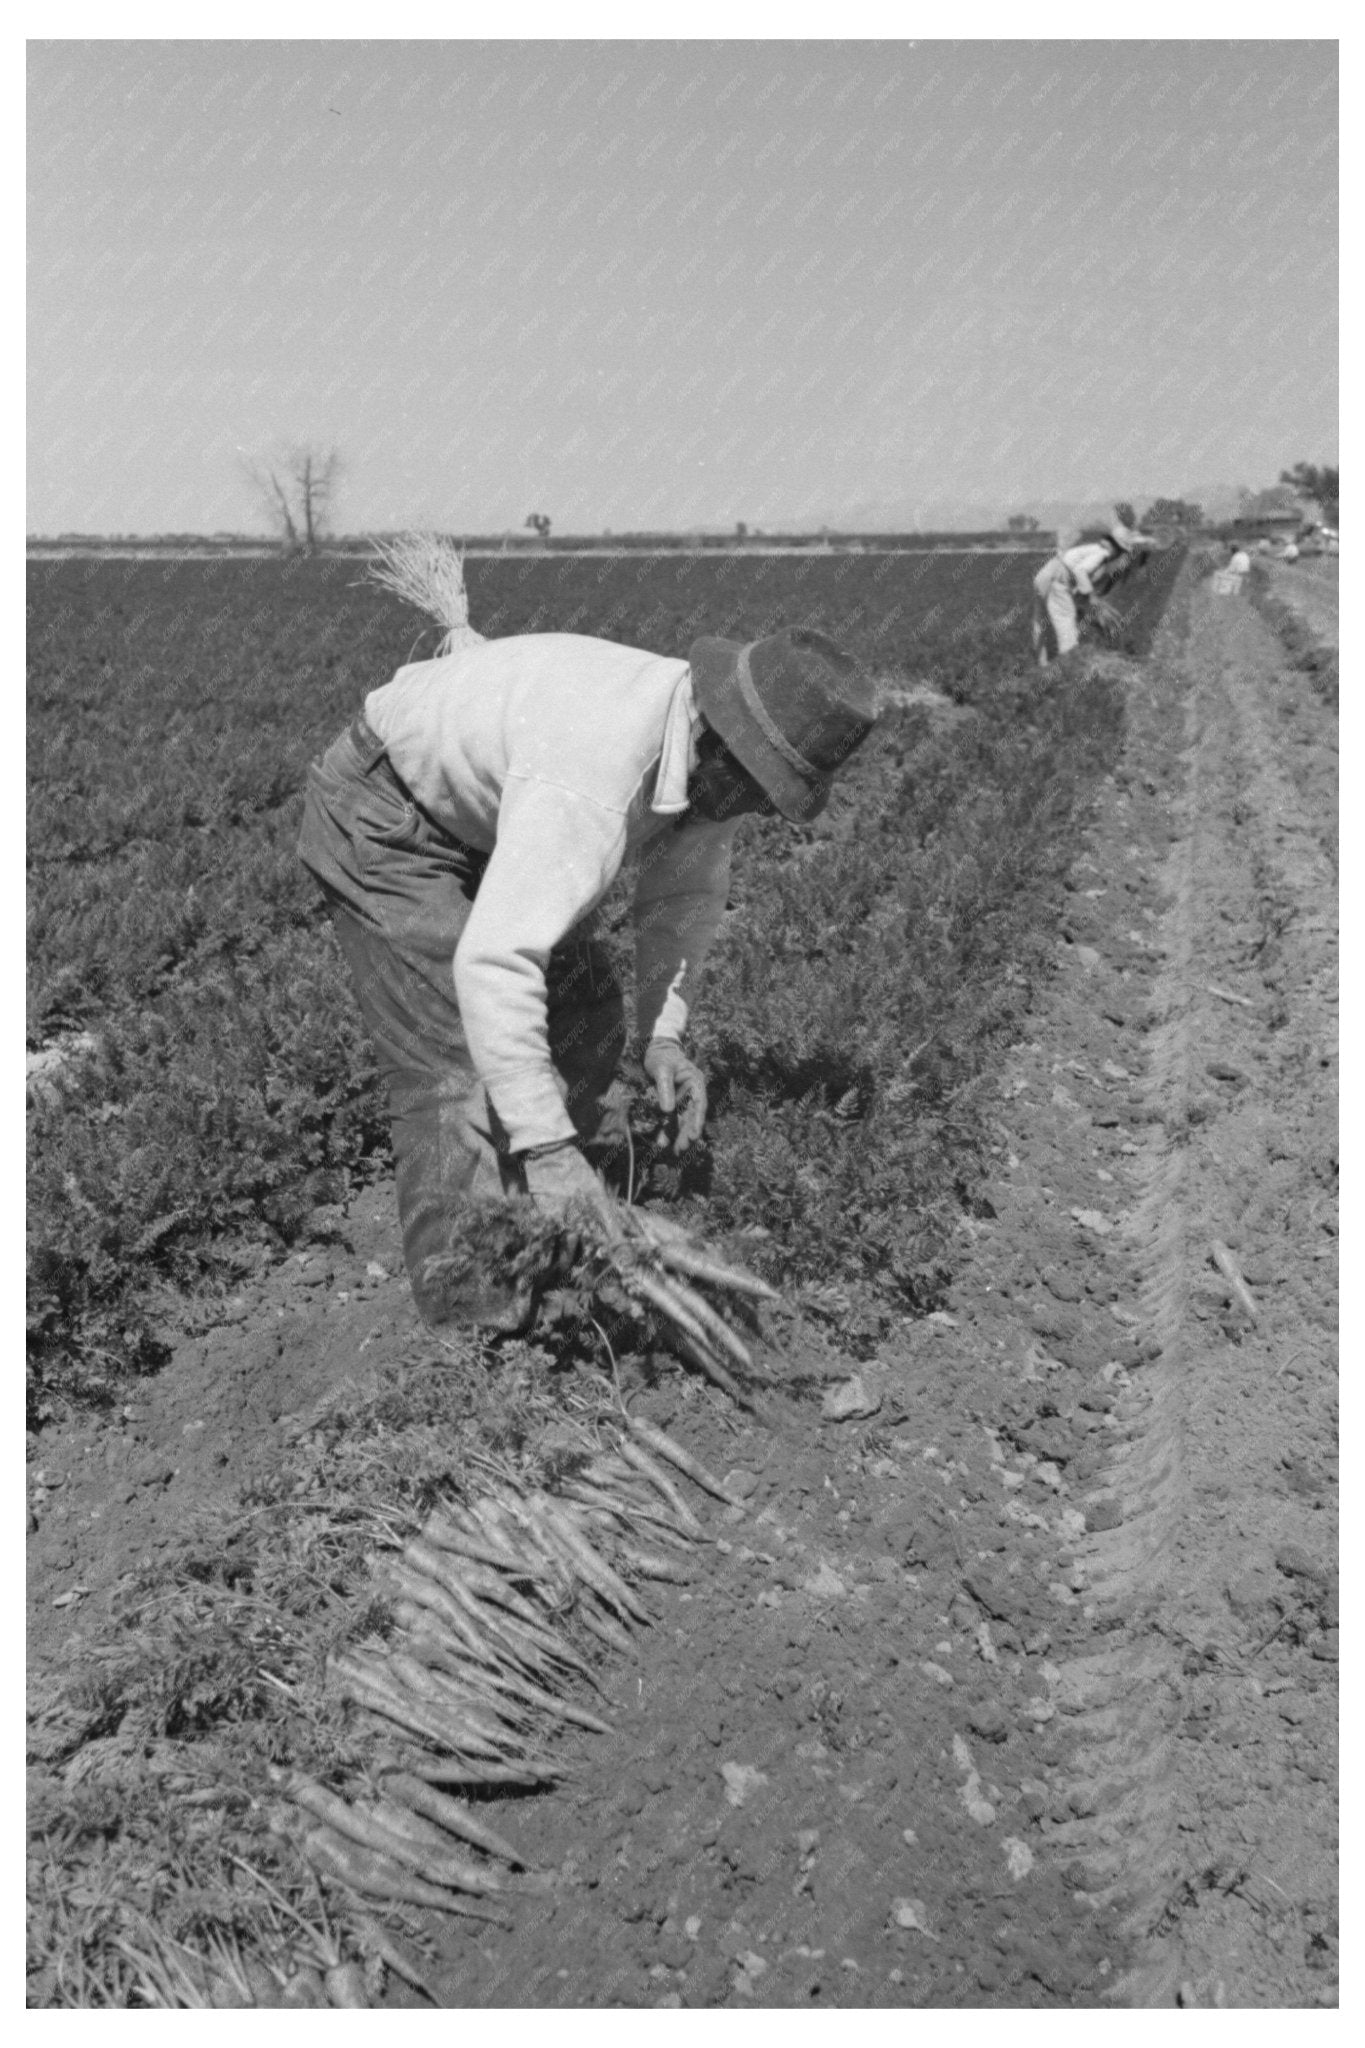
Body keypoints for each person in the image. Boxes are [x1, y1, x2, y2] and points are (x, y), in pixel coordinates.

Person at [298, 603, 879, 1330]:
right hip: (389, 820)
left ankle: (570, 1229)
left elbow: (683, 896)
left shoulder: (712, 756)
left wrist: (661, 1037)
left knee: (585, 1010)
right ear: (720, 740)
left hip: (495, 806)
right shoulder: (596, 774)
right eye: (762, 789)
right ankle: (472, 1327)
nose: (761, 810)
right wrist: (546, 1150)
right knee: (452, 1068)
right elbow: (496, 961)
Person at [1030, 519, 1157, 665]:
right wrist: (1092, 599)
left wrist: (1090, 607)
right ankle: (1068, 669)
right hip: (1057, 579)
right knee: (1067, 631)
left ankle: (1041, 666)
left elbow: (1078, 583)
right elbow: (1080, 571)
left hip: (1046, 575)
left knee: (1039, 623)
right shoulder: (1102, 554)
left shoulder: (1097, 549)